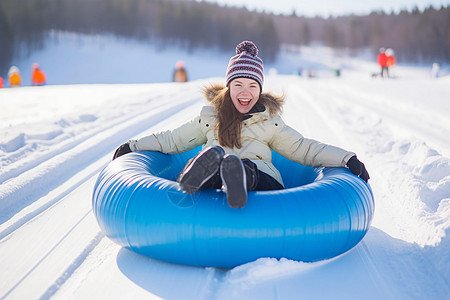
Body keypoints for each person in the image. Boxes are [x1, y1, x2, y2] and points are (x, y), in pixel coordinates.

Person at [113, 41, 369, 208]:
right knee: (212, 163)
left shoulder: (269, 122)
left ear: (259, 89)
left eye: (252, 86)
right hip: (215, 173)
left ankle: (236, 175)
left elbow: (304, 149)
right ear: (228, 87)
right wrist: (133, 146)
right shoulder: (209, 117)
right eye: (238, 85)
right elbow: (172, 140)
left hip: (262, 180)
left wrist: (346, 158)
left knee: (245, 168)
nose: (245, 92)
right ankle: (199, 175)